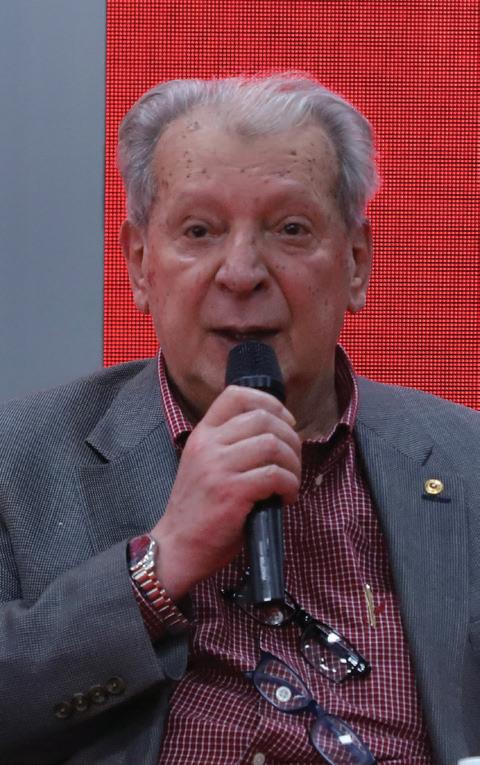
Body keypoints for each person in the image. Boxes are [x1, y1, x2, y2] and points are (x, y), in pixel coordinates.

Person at [0, 74, 479, 765]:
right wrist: (158, 566)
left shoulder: (464, 462)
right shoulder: (19, 460)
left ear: (356, 263)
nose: (242, 271)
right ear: (140, 264)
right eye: (200, 231)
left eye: (291, 229)